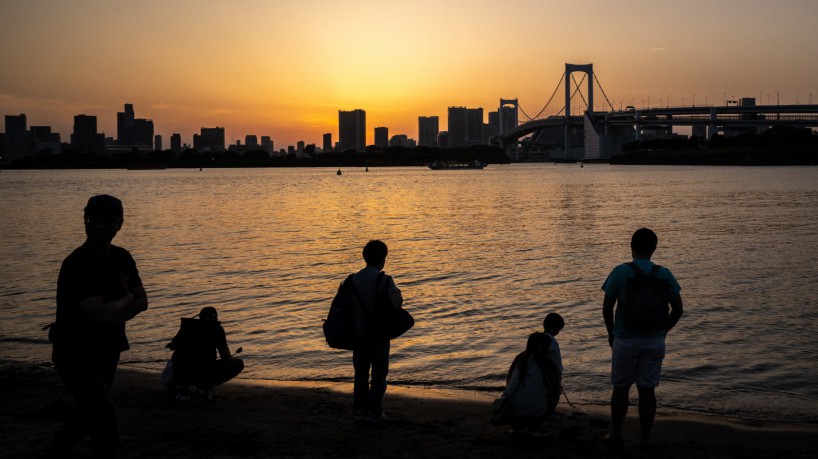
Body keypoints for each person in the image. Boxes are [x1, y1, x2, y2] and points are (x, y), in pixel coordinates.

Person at [47, 195, 149, 458]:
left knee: (86, 416)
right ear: (85, 221)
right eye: (92, 220)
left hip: (108, 349)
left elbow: (143, 301)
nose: (98, 226)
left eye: (107, 221)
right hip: (74, 353)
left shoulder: (122, 257)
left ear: (120, 224)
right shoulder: (76, 264)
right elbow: (99, 315)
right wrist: (126, 299)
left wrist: (115, 310)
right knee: (105, 421)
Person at [601, 228, 684, 451]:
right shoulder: (664, 273)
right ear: (654, 248)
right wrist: (664, 331)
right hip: (654, 341)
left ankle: (616, 434)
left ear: (631, 246)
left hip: (625, 339)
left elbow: (607, 306)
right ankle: (645, 439)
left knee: (621, 388)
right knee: (647, 390)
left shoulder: (620, 271)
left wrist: (611, 332)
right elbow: (678, 309)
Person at [350, 240, 403, 423]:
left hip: (358, 334)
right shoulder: (385, 280)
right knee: (379, 375)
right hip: (379, 334)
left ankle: (359, 410)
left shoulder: (353, 279)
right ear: (383, 259)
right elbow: (396, 303)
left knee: (361, 374)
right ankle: (374, 411)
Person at [168, 306, 244, 401]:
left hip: (182, 374)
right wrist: (229, 358)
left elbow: (173, 346)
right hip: (204, 373)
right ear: (216, 318)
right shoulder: (217, 329)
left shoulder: (187, 327)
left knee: (179, 358)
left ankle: (184, 389)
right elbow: (225, 356)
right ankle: (206, 388)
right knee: (238, 363)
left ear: (200, 317)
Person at [502, 332, 561, 437]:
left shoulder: (521, 359)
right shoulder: (550, 363)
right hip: (537, 413)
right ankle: (535, 424)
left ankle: (518, 426)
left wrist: (504, 405)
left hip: (515, 411)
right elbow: (554, 389)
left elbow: (511, 387)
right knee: (554, 393)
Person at [542, 312, 565, 416]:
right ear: (552, 328)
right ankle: (549, 412)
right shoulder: (549, 340)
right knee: (555, 393)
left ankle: (548, 410)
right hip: (553, 372)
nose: (558, 332)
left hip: (551, 371)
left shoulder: (543, 338)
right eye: (558, 329)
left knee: (551, 392)